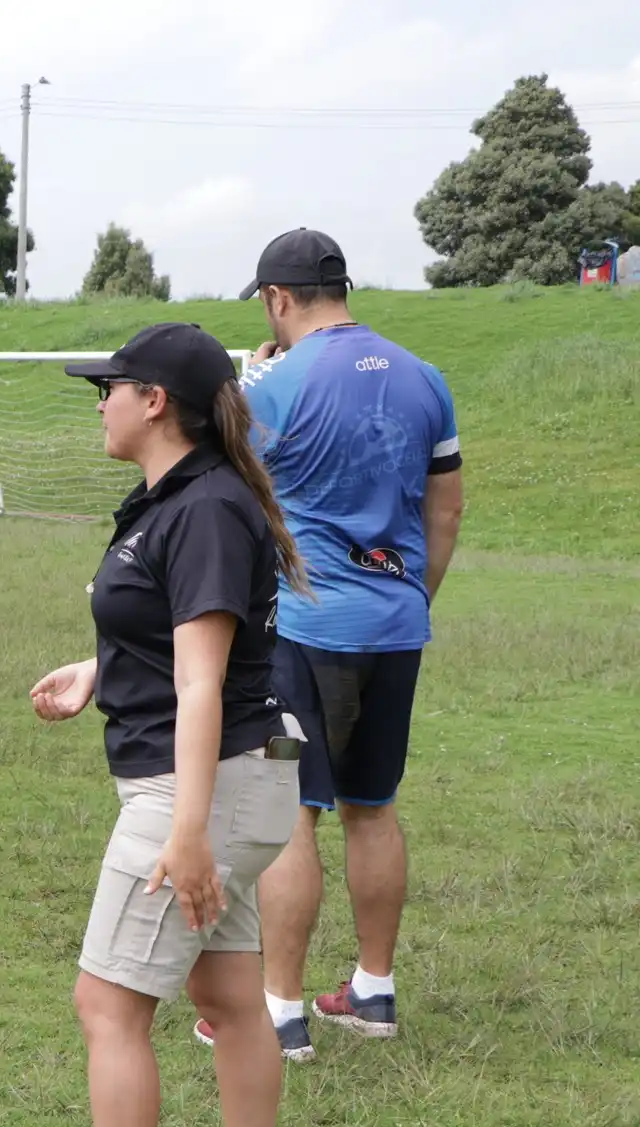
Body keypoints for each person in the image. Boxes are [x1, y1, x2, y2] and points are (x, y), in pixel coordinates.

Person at [3, 324, 307, 1127]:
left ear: (156, 404)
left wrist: (182, 833)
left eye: (110, 386)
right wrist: (98, 671)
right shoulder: (172, 500)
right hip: (230, 786)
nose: (98, 401)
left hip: (198, 790)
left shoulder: (206, 507)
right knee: (222, 995)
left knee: (106, 1004)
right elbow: (172, 635)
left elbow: (203, 681)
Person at [197, 229, 466, 1061]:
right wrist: (410, 598)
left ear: (277, 300)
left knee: (292, 813)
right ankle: (373, 991)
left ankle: (279, 1010)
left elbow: (230, 496)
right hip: (395, 625)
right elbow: (445, 511)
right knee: (373, 804)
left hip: (307, 629)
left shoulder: (277, 386)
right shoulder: (426, 378)